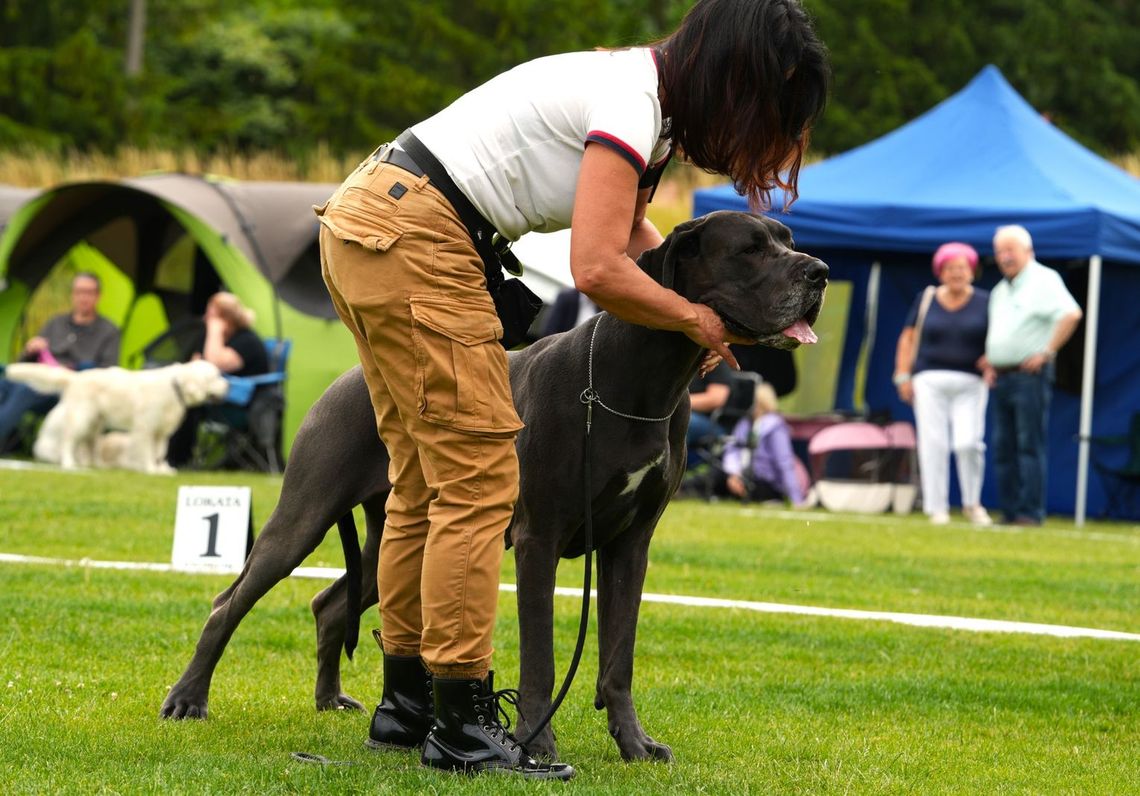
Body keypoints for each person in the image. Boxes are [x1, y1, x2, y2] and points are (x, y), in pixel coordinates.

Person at [315, 0, 828, 778]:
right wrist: (693, 317)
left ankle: (406, 705)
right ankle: (458, 722)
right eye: (767, 103)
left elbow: (637, 246)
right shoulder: (633, 103)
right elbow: (595, 267)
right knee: (481, 475)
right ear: (733, 75)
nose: (762, 129)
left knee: (423, 480)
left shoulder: (637, 98)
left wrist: (707, 314)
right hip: (417, 232)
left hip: (375, 220)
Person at [982, 225, 1082, 526]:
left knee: (1028, 444)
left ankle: (1030, 512)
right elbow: (1002, 333)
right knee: (1003, 446)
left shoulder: (1044, 279)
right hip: (1002, 376)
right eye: (1000, 251)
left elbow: (1071, 313)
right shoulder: (1001, 290)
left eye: (1011, 250)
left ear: (1028, 251)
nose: (1005, 256)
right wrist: (991, 361)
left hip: (1029, 377)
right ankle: (1010, 510)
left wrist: (1047, 352)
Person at [893, 242, 992, 526]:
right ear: (940, 272)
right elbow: (908, 338)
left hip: (971, 383)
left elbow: (998, 337)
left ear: (972, 271)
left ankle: (972, 504)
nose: (956, 273)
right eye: (950, 268)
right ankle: (937, 508)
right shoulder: (926, 298)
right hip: (929, 381)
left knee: (968, 443)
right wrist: (902, 375)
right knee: (933, 442)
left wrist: (993, 357)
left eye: (962, 267)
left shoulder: (986, 301)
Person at [0, 272, 119, 450]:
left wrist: (76, 369)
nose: (83, 297)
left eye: (88, 292)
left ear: (98, 296)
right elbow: (25, 361)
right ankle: (11, 440)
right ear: (73, 295)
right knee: (5, 384)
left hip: (70, 387)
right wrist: (30, 350)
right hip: (39, 376)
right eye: (79, 292)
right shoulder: (56, 323)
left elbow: (107, 372)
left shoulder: (109, 331)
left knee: (25, 391)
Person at [165, 292, 269, 468]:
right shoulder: (208, 339)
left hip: (240, 405)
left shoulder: (247, 341)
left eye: (211, 316)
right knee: (178, 398)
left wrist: (215, 331)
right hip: (216, 399)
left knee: (191, 405)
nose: (206, 319)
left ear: (226, 320)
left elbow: (215, 364)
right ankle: (167, 458)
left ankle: (176, 460)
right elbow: (194, 366)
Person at [718, 381, 807, 505]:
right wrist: (734, 474)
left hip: (766, 481)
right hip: (740, 475)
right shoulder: (744, 424)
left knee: (749, 486)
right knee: (714, 475)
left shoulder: (775, 427)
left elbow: (784, 462)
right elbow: (732, 450)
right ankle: (684, 490)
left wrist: (796, 500)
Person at [686, 359, 734, 467]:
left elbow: (716, 399)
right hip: (685, 414)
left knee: (682, 421)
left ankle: (667, 469)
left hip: (714, 424)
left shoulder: (714, 361)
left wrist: (679, 403)